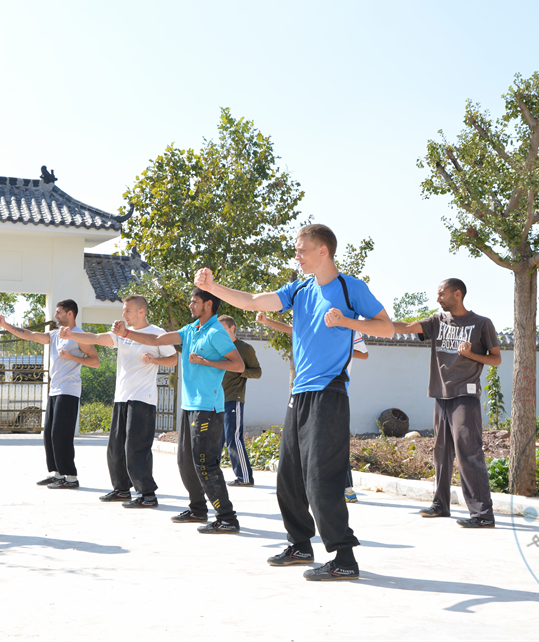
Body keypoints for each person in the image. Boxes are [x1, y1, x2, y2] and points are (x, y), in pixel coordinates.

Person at [195, 224, 393, 582]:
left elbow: (387, 328)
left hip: (330, 393)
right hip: (300, 393)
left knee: (321, 476)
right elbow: (255, 301)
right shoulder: (299, 289)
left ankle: (344, 557)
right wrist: (213, 288)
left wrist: (347, 321)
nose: (297, 256)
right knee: (288, 475)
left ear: (323, 252)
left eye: (302, 250)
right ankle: (300, 543)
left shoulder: (350, 288)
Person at [114, 289, 244, 533]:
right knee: (186, 462)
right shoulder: (190, 329)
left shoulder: (216, 332)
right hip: (189, 406)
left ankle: (227, 518)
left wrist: (206, 362)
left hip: (208, 408)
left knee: (205, 463)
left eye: (194, 301)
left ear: (208, 304)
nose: (190, 304)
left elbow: (238, 364)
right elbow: (157, 340)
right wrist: (127, 333)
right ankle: (197, 509)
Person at [393, 279, 501, 528]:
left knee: (468, 452)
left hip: (465, 395)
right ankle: (441, 505)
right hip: (441, 395)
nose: (438, 299)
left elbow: (496, 360)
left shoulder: (481, 323)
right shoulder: (437, 321)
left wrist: (470, 354)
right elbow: (407, 327)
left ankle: (482, 514)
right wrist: (373, 323)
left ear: (457, 294)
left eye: (441, 294)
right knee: (441, 453)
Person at [58, 295, 177, 508]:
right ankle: (121, 489)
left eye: (128, 311)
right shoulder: (120, 333)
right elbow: (95, 337)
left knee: (136, 447)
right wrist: (73, 334)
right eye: (123, 310)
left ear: (141, 311)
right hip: (121, 396)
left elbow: (174, 359)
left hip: (143, 398)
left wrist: (155, 360)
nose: (124, 314)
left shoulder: (157, 334)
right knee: (115, 447)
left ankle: (147, 494)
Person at [256, 312, 368, 503]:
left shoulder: (347, 329)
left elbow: (364, 354)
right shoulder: (314, 328)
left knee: (332, 441)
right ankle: (315, 487)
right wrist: (268, 321)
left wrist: (336, 349)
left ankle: (347, 489)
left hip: (334, 389)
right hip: (310, 390)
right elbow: (294, 330)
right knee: (312, 440)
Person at [0, 300, 99, 490]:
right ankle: (58, 474)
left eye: (58, 312)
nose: (55, 316)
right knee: (50, 434)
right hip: (55, 390)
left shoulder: (80, 336)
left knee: (61, 435)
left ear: (70, 314)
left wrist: (72, 357)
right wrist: (6, 326)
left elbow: (95, 361)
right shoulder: (53, 335)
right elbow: (29, 334)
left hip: (69, 390)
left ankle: (71, 477)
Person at [217, 315, 262, 487]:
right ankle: (212, 475)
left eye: (224, 329)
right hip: (215, 400)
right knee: (215, 440)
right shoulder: (217, 348)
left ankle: (245, 477)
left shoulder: (245, 348)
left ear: (232, 328)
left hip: (233, 398)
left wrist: (239, 370)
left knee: (233, 437)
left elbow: (257, 372)